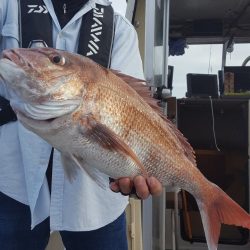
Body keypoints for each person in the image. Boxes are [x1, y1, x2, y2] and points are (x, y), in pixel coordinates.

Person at [0, 0, 162, 250]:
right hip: (12, 186)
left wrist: (125, 168)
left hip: (95, 203)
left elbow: (134, 113)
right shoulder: (9, 7)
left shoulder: (119, 28)